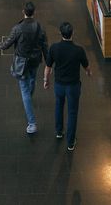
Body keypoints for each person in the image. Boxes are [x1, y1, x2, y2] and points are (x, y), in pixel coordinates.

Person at [0, 1, 48, 134]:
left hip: (21, 63)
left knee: (24, 91)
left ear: (23, 12)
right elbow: (44, 45)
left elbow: (8, 42)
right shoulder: (39, 27)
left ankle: (32, 123)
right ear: (34, 12)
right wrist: (48, 62)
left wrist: (1, 45)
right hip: (35, 60)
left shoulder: (18, 28)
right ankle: (30, 97)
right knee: (32, 78)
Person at [43, 22, 91, 151]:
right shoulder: (78, 50)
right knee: (72, 112)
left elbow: (47, 67)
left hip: (59, 84)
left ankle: (59, 132)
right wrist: (88, 72)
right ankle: (70, 142)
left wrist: (46, 80)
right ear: (72, 33)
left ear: (60, 33)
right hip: (73, 86)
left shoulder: (54, 48)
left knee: (59, 106)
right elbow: (86, 66)